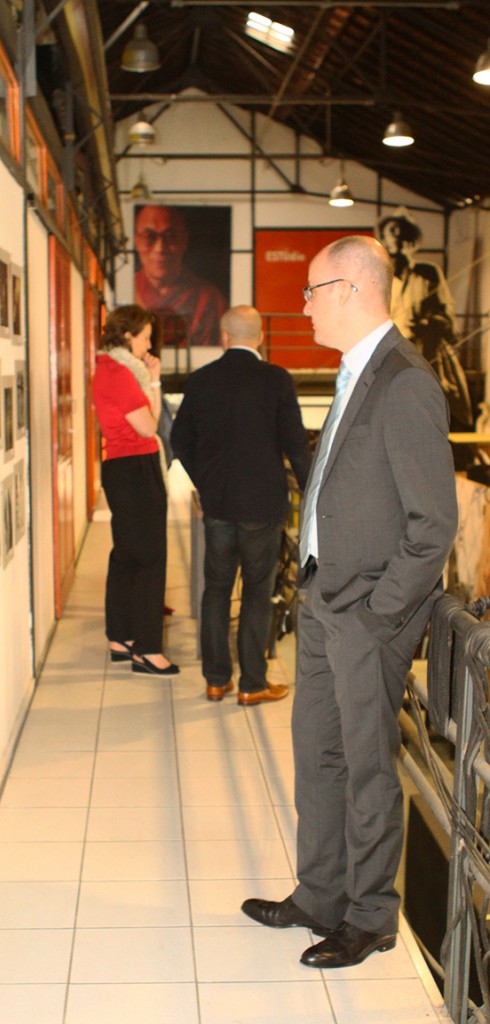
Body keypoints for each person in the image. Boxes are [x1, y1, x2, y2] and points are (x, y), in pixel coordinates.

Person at [241, 236, 457, 969]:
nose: (301, 305)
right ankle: (320, 894)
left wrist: (378, 614)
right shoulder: (354, 374)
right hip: (325, 598)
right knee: (318, 755)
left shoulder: (405, 384)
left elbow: (434, 528)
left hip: (368, 613)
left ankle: (370, 916)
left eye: (310, 290)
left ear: (352, 289)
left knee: (366, 767)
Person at [171, 305, 310, 704]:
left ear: (224, 336)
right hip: (263, 506)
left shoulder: (201, 381)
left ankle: (216, 680)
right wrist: (313, 492)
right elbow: (296, 447)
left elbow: (181, 440)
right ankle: (252, 684)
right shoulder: (276, 380)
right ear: (261, 336)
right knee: (256, 591)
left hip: (218, 506)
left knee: (215, 591)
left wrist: (206, 484)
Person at [92, 305, 179, 676]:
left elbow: (153, 417)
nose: (149, 343)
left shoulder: (123, 370)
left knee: (127, 554)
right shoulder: (119, 372)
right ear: (127, 336)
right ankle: (147, 649)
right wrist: (151, 385)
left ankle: (121, 636)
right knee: (150, 558)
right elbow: (149, 427)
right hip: (135, 468)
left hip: (124, 466)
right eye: (145, 336)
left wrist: (155, 380)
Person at [377, 211, 473, 433]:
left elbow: (447, 319)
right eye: (391, 234)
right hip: (389, 354)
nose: (397, 240)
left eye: (403, 235)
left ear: (413, 242)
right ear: (383, 239)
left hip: (426, 352)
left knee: (441, 405)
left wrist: (428, 324)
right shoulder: (378, 276)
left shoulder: (428, 273)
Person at [134, 205, 227, 347]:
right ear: (136, 241)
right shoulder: (130, 290)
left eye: (170, 236)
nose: (160, 248)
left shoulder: (210, 299)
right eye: (149, 237)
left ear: (184, 240)